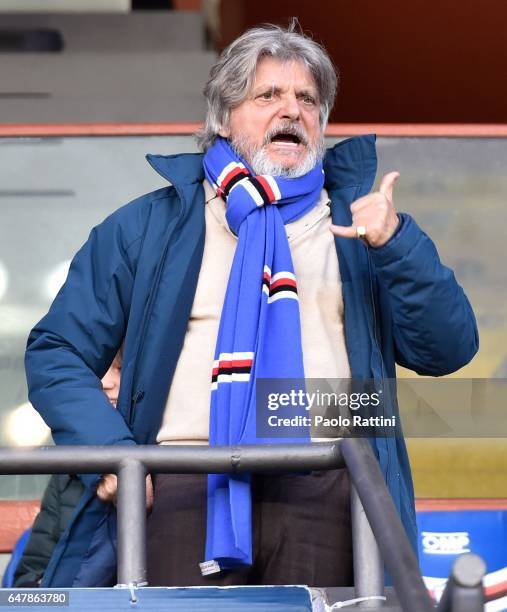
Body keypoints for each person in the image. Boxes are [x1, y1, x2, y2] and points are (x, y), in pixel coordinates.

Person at [25, 23, 478, 588]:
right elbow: (56, 350)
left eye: (307, 100)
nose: (291, 111)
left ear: (322, 123)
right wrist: (113, 452)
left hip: (329, 484)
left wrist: (397, 244)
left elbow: (450, 349)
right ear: (222, 117)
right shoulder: (150, 226)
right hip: (182, 484)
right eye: (268, 96)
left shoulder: (361, 228)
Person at [13, 352, 122, 588]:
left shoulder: (169, 467)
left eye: (120, 369)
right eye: (98, 371)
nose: (105, 382)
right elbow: (28, 578)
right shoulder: (68, 472)